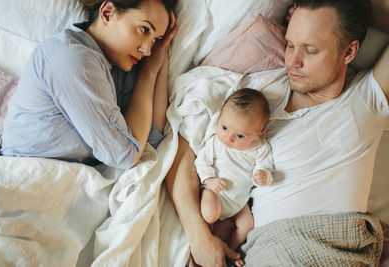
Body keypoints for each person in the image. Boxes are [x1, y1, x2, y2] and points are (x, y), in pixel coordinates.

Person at [165, 0, 389, 266]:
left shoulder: (366, 99)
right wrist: (199, 237)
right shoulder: (256, 95)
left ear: (349, 51)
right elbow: (181, 153)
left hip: (339, 247)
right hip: (273, 249)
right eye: (291, 43)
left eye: (310, 49)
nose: (292, 61)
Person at [0, 0, 178, 169]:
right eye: (144, 30)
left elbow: (150, 142)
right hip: (23, 175)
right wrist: (147, 74)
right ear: (107, 13)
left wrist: (153, 70)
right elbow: (125, 155)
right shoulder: (72, 58)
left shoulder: (119, 67)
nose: (147, 50)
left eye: (155, 40)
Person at [194, 88, 273, 267]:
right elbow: (202, 163)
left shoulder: (261, 148)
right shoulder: (216, 142)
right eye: (224, 127)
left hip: (239, 202)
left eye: (239, 136)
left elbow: (265, 166)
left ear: (258, 133)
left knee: (247, 224)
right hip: (216, 193)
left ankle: (229, 249)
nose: (228, 138)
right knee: (210, 213)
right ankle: (210, 243)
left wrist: (264, 176)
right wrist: (210, 181)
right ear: (220, 117)